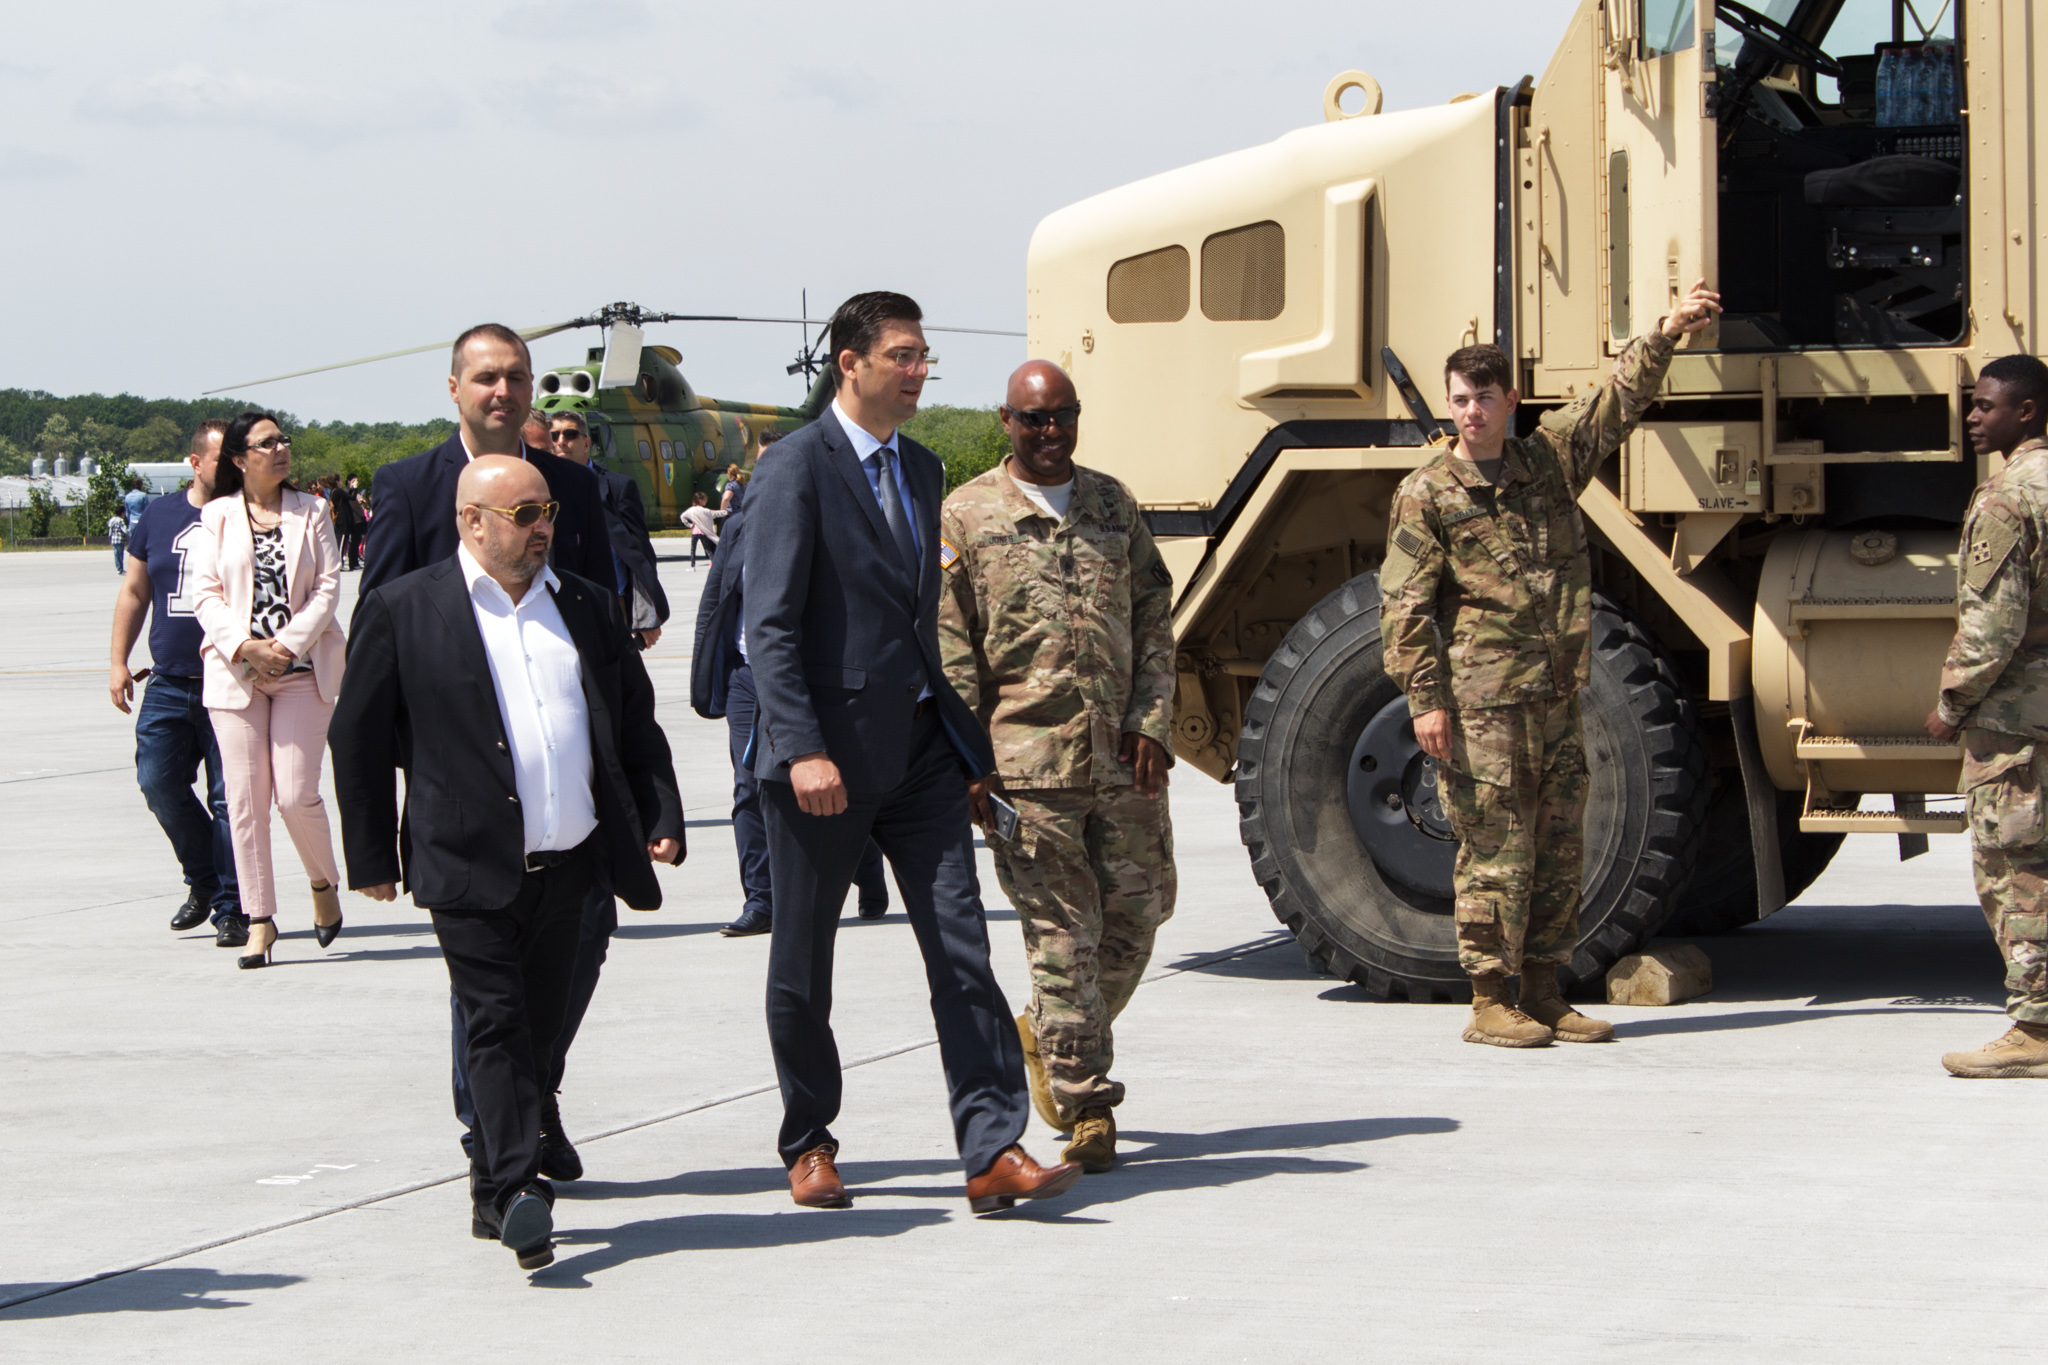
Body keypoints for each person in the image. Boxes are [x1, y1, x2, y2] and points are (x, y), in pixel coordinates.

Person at [744, 290, 1078, 1214]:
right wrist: (802, 748)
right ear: (849, 363)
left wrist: (965, 744)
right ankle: (809, 1140)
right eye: (903, 355)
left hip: (922, 752)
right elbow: (769, 625)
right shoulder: (795, 468)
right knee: (803, 964)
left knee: (963, 949)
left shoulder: (922, 468)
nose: (919, 370)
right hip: (825, 765)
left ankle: (992, 1147)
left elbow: (917, 619)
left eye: (924, 355)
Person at [330, 455, 684, 1271]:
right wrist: (371, 852)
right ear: (471, 521)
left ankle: (493, 1190)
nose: (542, 527)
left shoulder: (585, 604)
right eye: (523, 514)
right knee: (495, 1021)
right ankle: (523, 1187)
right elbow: (358, 737)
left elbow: (633, 721)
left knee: (541, 1028)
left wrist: (659, 812)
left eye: (547, 510)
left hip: (572, 859)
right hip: (464, 861)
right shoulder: (404, 607)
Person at [1380, 280, 1722, 1048]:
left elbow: (1616, 399)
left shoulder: (1548, 461)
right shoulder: (1427, 493)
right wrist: (1425, 699)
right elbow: (1403, 604)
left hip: (1556, 695)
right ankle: (1488, 999)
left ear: (1511, 400)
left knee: (1559, 846)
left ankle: (1543, 988)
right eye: (1460, 399)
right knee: (1495, 849)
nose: (1471, 411)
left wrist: (1666, 331)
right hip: (1482, 704)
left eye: (1484, 397)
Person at [937, 359, 1177, 1173]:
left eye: (1062, 416)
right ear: (1006, 422)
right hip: (1026, 769)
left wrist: (1152, 721)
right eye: (1033, 418)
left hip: (1123, 759)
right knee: (1063, 934)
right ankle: (1086, 1102)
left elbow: (1154, 616)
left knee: (1140, 916)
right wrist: (969, 763)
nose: (1049, 432)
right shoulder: (968, 514)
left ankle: (1049, 1030)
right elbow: (950, 647)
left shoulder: (1112, 504)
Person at [691, 449, 892, 939]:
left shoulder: (829, 520)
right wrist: (706, 673)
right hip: (748, 677)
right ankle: (761, 900)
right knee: (749, 785)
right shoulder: (737, 529)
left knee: (835, 782)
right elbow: (716, 602)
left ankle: (865, 862)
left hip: (812, 678)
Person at [188, 413, 349, 969]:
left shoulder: (314, 510)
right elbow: (205, 594)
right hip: (237, 676)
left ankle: (322, 883)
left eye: (283, 440)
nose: (281, 448)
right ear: (240, 459)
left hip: (301, 671)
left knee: (295, 795)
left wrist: (283, 646)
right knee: (245, 802)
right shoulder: (217, 516)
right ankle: (260, 918)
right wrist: (244, 648)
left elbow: (328, 588)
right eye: (267, 443)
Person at [1925, 354, 2048, 1078]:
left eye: (1986, 405)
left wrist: (1951, 705)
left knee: (2016, 869)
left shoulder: (2006, 498)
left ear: (2026, 412)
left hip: (2016, 725)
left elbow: (1992, 627)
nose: (1972, 416)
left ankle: (2035, 1029)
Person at [357, 324, 611, 602]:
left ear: (530, 386)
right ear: (454, 388)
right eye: (486, 378)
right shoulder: (408, 488)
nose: (503, 391)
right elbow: (378, 614)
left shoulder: (577, 484)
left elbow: (602, 604)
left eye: (515, 377)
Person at [109, 419, 244, 941]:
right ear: (195, 462)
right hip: (168, 682)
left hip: (231, 680)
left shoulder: (249, 513)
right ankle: (205, 878)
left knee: (229, 802)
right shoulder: (159, 515)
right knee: (158, 783)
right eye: (222, 458)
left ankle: (232, 906)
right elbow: (134, 591)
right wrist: (118, 661)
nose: (232, 467)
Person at [548, 410, 669, 650]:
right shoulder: (541, 487)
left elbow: (640, 554)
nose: (561, 441)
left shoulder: (617, 487)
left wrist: (648, 615)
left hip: (611, 604)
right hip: (557, 603)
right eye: (554, 435)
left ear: (586, 443)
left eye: (570, 434)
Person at [681, 492, 718, 567]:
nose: (706, 501)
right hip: (702, 532)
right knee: (707, 549)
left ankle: (692, 566)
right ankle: (713, 562)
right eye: (705, 500)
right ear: (700, 501)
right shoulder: (704, 510)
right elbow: (714, 514)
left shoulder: (691, 510)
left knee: (693, 549)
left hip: (695, 532)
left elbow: (682, 517)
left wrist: (689, 525)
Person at [107, 510, 128, 574]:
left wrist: (110, 538)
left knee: (116, 554)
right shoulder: (120, 520)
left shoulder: (112, 520)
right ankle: (121, 569)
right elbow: (124, 530)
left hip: (113, 539)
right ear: (122, 513)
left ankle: (118, 569)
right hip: (120, 539)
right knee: (120, 555)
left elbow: (110, 530)